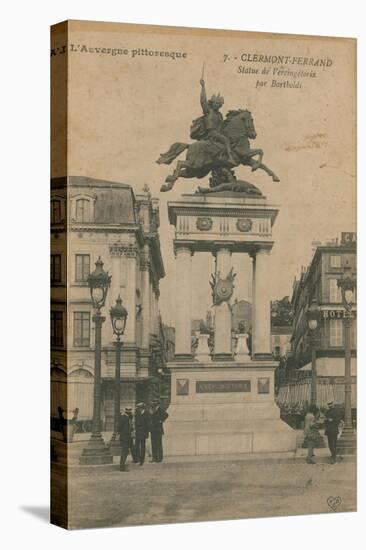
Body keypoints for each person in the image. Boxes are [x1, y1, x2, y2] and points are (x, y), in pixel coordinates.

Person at [191, 78, 236, 167]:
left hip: (217, 133)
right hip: (210, 133)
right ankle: (230, 157)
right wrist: (203, 87)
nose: (217, 106)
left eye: (219, 105)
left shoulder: (219, 115)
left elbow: (222, 126)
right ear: (212, 103)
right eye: (216, 104)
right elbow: (203, 101)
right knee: (226, 140)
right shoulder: (208, 111)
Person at [119, 407, 135, 472]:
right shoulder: (123, 418)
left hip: (128, 437)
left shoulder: (128, 418)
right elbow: (119, 427)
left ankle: (136, 459)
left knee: (132, 448)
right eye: (129, 412)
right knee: (124, 452)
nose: (131, 413)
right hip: (125, 437)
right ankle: (122, 467)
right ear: (127, 412)